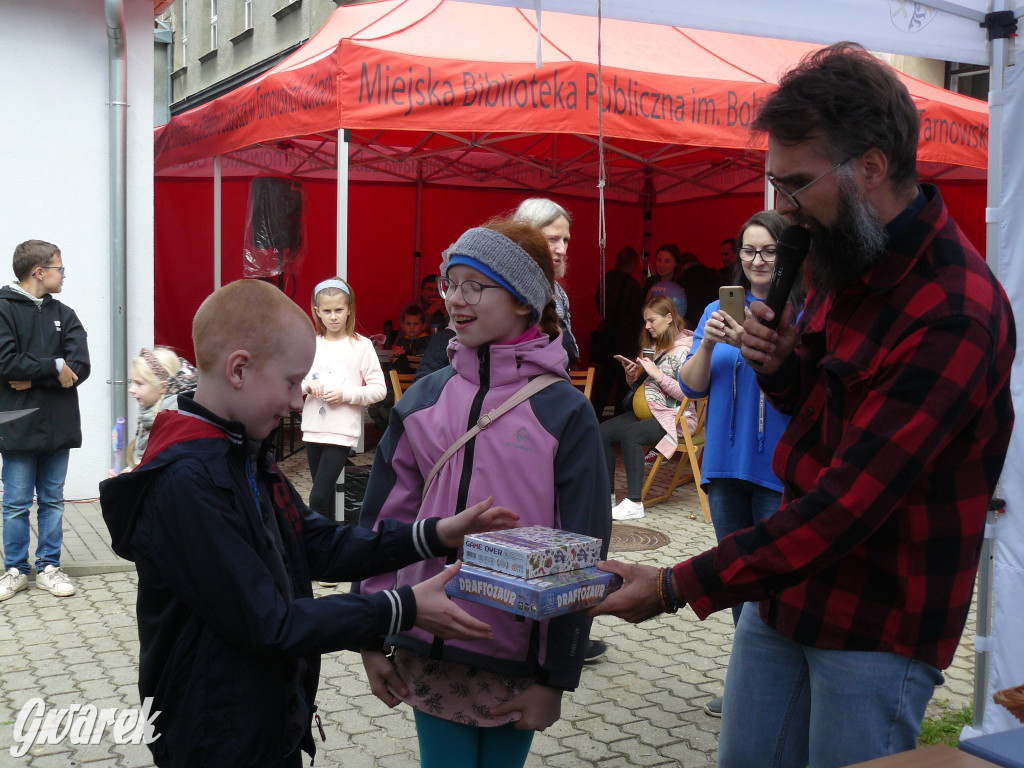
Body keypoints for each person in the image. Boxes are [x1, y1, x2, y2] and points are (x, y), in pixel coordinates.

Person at [591, 43, 1015, 768]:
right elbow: (822, 418)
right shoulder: (844, 257)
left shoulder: (953, 311)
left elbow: (849, 504)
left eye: (796, 183)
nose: (783, 206)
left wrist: (672, 585)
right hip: (789, 592)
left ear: (871, 167)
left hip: (876, 622)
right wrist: (784, 369)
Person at [99, 278, 520, 768]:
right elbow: (269, 623)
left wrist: (434, 535)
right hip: (215, 735)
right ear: (239, 369)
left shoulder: (242, 453)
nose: (298, 401)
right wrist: (399, 608)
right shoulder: (187, 483)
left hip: (265, 721)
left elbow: (316, 543)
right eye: (290, 382)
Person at [356, 218, 611, 768]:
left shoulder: (565, 411)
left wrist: (556, 677)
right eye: (451, 283)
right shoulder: (423, 399)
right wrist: (370, 635)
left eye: (475, 285)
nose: (456, 299)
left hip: (519, 656)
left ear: (523, 300)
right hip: (425, 639)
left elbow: (585, 552)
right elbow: (381, 523)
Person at [677, 210, 800, 717]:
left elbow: (796, 387)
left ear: (785, 257)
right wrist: (708, 342)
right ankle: (748, 688)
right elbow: (691, 386)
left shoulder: (797, 315)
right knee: (736, 579)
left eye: (769, 251)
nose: (757, 260)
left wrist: (747, 345)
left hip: (775, 469)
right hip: (726, 467)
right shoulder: (717, 309)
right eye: (749, 251)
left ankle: (779, 690)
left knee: (777, 585)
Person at [0, 240, 89, 602]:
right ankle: (16, 571)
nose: (63, 275)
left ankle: (49, 567)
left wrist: (36, 378)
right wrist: (54, 366)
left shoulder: (65, 314)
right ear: (39, 272)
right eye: (59, 268)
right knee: (16, 503)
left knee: (52, 500)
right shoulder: (3, 310)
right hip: (17, 425)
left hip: (58, 425)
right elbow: (6, 363)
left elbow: (80, 367)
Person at [601, 296, 696, 522]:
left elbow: (688, 394)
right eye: (645, 321)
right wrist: (633, 376)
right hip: (651, 410)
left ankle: (634, 503)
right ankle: (607, 496)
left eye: (652, 320)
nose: (647, 326)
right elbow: (647, 390)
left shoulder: (685, 351)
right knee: (602, 431)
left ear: (669, 318)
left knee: (631, 435)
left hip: (675, 416)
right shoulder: (656, 347)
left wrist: (658, 375)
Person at [301, 277, 386, 522]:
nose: (333, 317)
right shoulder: (310, 344)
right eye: (327, 311)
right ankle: (329, 540)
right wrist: (307, 385)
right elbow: (292, 383)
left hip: (341, 431)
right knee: (324, 495)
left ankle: (318, 541)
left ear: (350, 309)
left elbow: (379, 390)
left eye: (338, 310)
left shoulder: (362, 346)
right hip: (312, 428)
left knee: (318, 497)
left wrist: (346, 394)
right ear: (317, 311)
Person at [513, 198, 578, 366]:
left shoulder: (558, 290)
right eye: (553, 239)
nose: (562, 250)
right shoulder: (511, 288)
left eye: (565, 240)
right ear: (527, 237)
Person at [112, 347, 186, 474]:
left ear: (163, 387)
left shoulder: (174, 425)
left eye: (139, 383)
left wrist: (129, 479)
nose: (131, 389)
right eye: (132, 382)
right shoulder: (148, 416)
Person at [590, 246, 644, 417]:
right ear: (633, 263)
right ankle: (618, 424)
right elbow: (638, 316)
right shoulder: (632, 286)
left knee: (600, 389)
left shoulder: (604, 280)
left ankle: (593, 421)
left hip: (606, 340)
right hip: (625, 343)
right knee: (623, 388)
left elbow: (599, 305)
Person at [643, 243, 687, 320]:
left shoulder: (683, 284)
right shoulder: (650, 282)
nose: (661, 265)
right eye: (659, 260)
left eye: (667, 261)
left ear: (676, 264)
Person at [390, 303, 431, 373]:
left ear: (423, 326)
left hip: (420, 373)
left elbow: (422, 354)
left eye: (416, 324)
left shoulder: (426, 340)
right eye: (408, 324)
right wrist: (394, 355)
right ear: (403, 325)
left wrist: (405, 353)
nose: (412, 327)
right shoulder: (402, 341)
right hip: (403, 375)